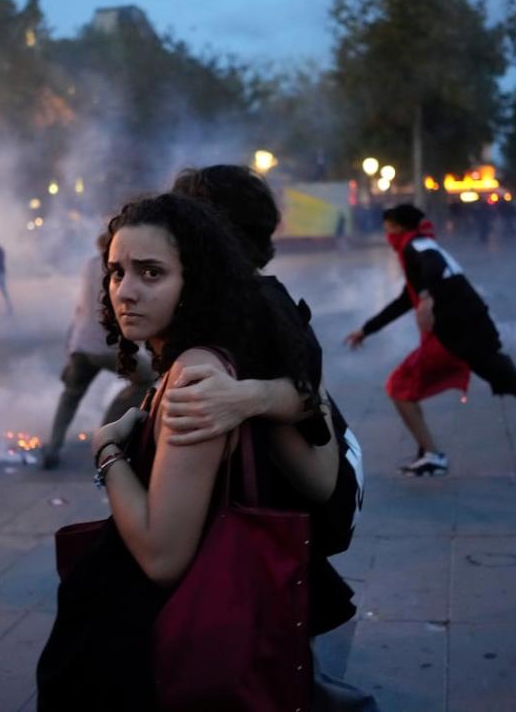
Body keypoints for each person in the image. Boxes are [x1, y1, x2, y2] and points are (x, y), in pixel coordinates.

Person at [36, 194, 337, 709]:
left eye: (150, 274)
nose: (124, 292)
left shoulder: (196, 375)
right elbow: (318, 445)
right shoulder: (205, 358)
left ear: (194, 282)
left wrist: (107, 451)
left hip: (140, 656)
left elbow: (162, 556)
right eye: (116, 272)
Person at [170, 164, 376, 710]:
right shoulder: (239, 304)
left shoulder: (254, 312)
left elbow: (317, 476)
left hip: (275, 526)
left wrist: (258, 398)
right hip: (270, 533)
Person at [346, 204, 516, 475]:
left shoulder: (419, 247)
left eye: (387, 227)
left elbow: (432, 269)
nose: (386, 233)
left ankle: (432, 454)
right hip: (476, 337)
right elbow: (404, 300)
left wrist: (425, 298)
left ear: (399, 228)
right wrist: (366, 330)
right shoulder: (423, 247)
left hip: (455, 342)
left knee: (399, 386)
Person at [40, 233, 153, 470]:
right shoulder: (120, 272)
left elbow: (80, 310)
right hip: (108, 348)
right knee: (146, 379)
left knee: (70, 397)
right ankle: (106, 431)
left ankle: (53, 448)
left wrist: (70, 353)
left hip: (81, 346)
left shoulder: (89, 266)